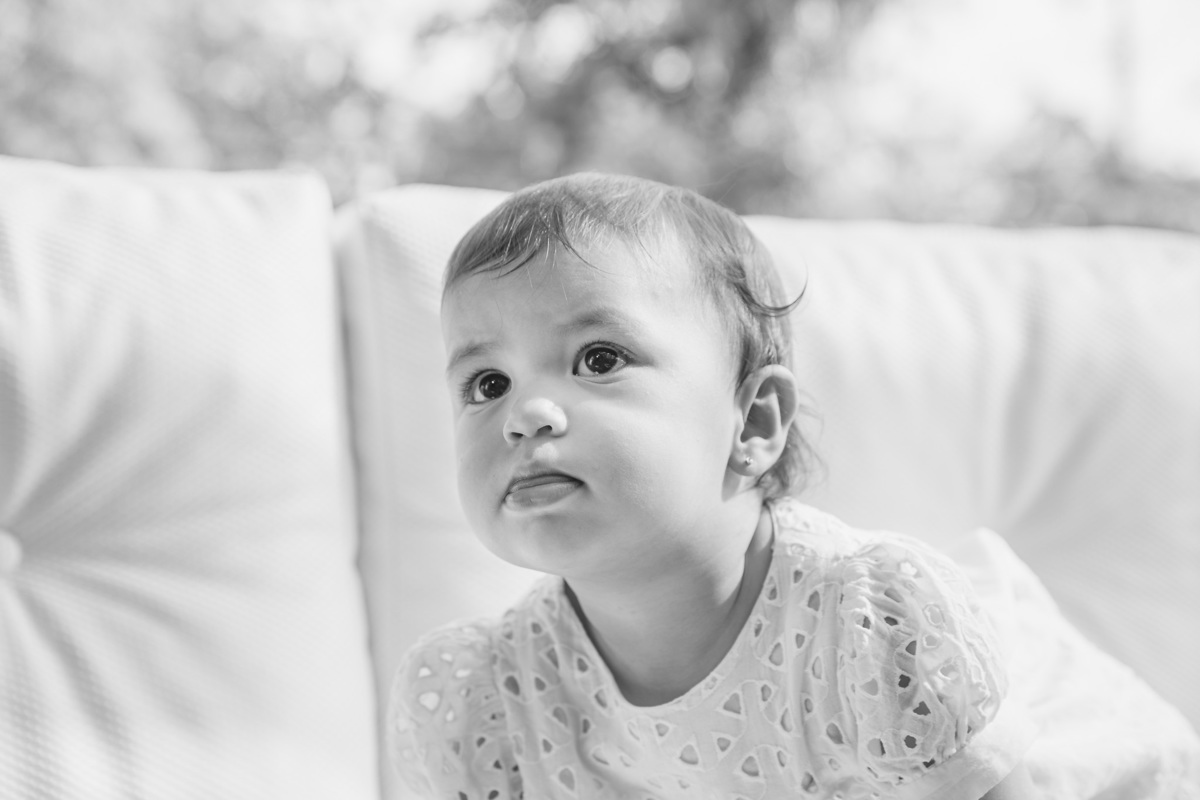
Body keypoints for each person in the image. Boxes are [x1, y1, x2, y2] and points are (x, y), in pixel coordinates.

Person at [387, 172, 1040, 799]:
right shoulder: (490, 701)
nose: (525, 416)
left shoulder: (867, 631)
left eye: (599, 359)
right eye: (488, 384)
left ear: (753, 422)